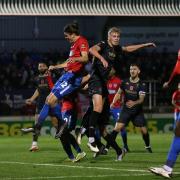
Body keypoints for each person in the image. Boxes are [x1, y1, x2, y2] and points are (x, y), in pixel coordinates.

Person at [87, 26, 155, 153]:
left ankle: (114, 148)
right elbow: (91, 49)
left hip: (103, 82)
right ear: (109, 37)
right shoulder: (103, 44)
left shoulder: (116, 48)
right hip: (96, 79)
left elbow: (128, 48)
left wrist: (144, 45)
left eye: (118, 37)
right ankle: (91, 138)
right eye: (114, 36)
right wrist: (102, 58)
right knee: (97, 108)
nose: (117, 38)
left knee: (101, 114)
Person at [33, 22, 89, 133]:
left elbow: (85, 58)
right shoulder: (73, 45)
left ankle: (62, 123)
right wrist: (55, 66)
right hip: (67, 75)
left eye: (66, 35)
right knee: (48, 99)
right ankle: (38, 126)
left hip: (73, 77)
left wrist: (76, 59)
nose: (66, 38)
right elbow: (68, 63)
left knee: (53, 99)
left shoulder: (82, 41)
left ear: (72, 34)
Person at [110, 63, 152, 153]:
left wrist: (134, 102)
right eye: (131, 69)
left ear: (138, 71)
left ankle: (147, 146)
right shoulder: (124, 82)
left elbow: (141, 99)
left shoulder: (142, 84)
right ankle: (107, 148)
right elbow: (118, 93)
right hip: (126, 110)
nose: (132, 71)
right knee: (116, 129)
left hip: (137, 111)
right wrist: (113, 102)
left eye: (134, 69)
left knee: (144, 131)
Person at [22, 62, 59, 151]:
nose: (41, 67)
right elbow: (38, 89)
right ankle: (34, 145)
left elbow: (55, 88)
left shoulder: (51, 76)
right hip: (40, 103)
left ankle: (68, 140)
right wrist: (32, 99)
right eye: (39, 66)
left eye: (42, 66)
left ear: (46, 67)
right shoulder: (38, 78)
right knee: (37, 123)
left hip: (51, 102)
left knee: (56, 124)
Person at [149, 83, 180, 178]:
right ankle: (167, 168)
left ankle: (167, 168)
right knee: (177, 137)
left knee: (177, 135)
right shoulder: (176, 93)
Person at [105, 68, 129, 152]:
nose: (108, 71)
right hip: (106, 107)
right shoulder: (105, 80)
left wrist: (123, 100)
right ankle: (102, 146)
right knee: (100, 126)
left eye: (110, 70)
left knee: (121, 127)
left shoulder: (119, 81)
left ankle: (125, 146)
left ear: (114, 71)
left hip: (116, 107)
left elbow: (124, 92)